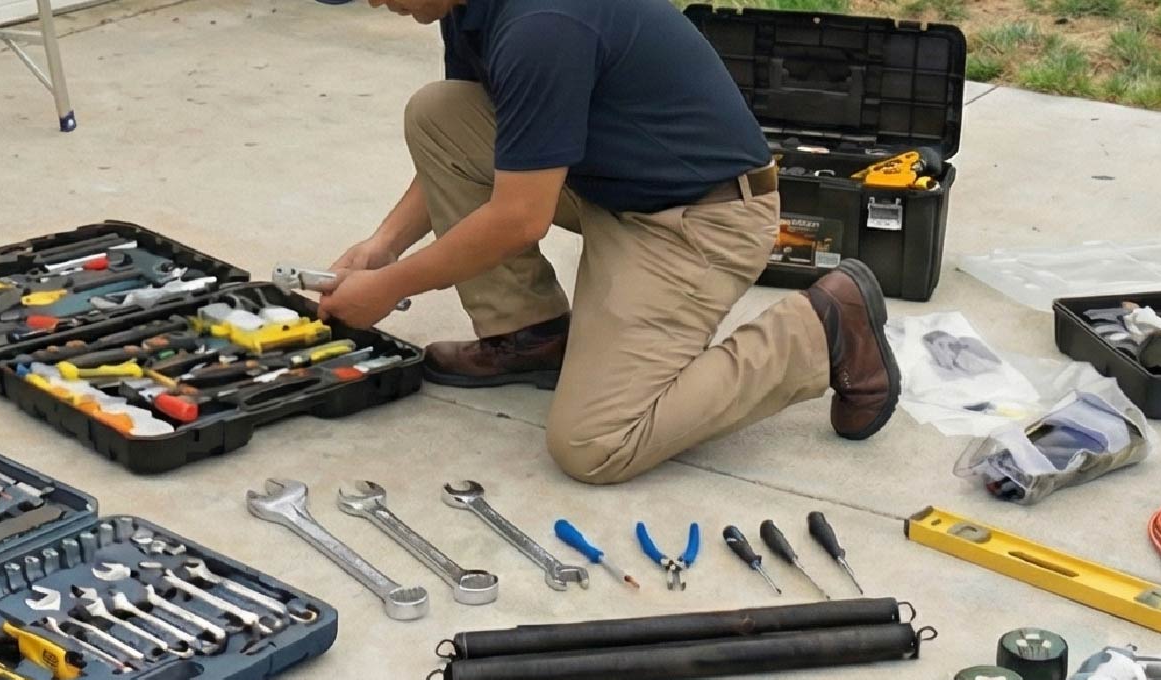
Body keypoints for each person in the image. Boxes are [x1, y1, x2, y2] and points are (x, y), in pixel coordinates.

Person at [317, 0, 902, 485]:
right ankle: (531, 336)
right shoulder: (468, 7)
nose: (374, 2)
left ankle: (818, 329)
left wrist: (387, 288)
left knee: (596, 443)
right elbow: (479, 145)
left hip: (700, 220)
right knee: (439, 111)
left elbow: (519, 217)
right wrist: (383, 246)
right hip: (612, 186)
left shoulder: (541, 25)